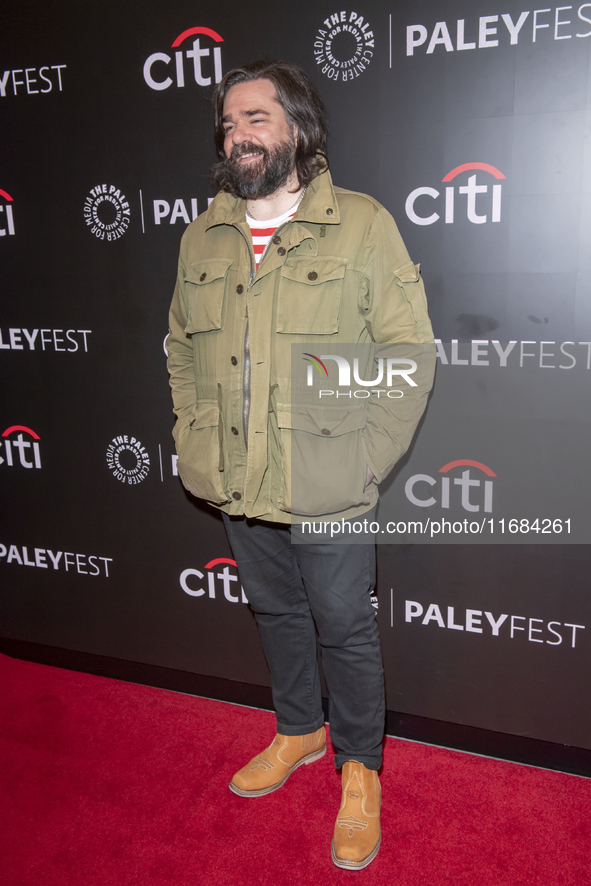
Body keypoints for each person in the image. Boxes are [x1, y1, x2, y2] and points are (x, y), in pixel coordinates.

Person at [167, 59, 434, 870]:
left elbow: (407, 354)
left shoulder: (359, 224)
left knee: (345, 629)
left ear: (296, 128)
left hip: (326, 477)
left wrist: (362, 462)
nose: (238, 134)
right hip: (236, 475)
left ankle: (360, 767)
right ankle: (298, 731)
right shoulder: (202, 233)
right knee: (275, 614)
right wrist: (192, 429)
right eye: (228, 122)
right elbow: (181, 346)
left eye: (255, 118)